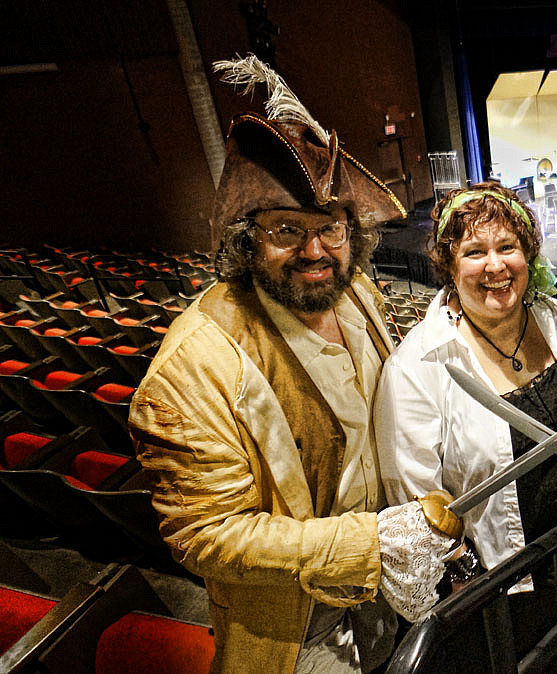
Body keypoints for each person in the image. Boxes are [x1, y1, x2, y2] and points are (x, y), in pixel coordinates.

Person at [129, 56, 454, 674]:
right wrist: (372, 543)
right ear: (244, 239)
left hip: (387, 592)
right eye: (286, 230)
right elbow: (207, 533)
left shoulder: (355, 290)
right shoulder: (193, 366)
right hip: (298, 628)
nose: (315, 252)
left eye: (330, 228)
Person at [374, 184, 557, 668]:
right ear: (450, 266)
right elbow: (415, 499)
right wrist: (467, 572)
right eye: (474, 252)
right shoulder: (417, 366)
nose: (494, 266)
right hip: (497, 582)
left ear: (528, 254)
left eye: (507, 248)